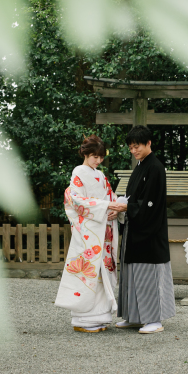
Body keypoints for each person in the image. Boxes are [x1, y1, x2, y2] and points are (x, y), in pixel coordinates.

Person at [55, 135, 128, 333]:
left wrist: (114, 210)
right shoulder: (78, 172)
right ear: (85, 154)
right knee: (90, 272)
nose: (97, 160)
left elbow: (110, 196)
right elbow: (75, 200)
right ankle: (84, 320)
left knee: (103, 271)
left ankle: (101, 317)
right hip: (89, 229)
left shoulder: (100, 175)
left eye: (101, 157)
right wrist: (105, 206)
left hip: (102, 228)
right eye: (94, 156)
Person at [116, 125, 175, 334]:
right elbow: (132, 198)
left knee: (148, 276)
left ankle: (153, 319)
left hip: (150, 231)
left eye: (137, 146)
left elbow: (149, 203)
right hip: (135, 229)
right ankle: (134, 316)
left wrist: (126, 207)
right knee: (132, 275)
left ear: (149, 143)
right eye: (131, 148)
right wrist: (123, 206)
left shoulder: (156, 167)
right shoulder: (140, 166)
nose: (133, 151)